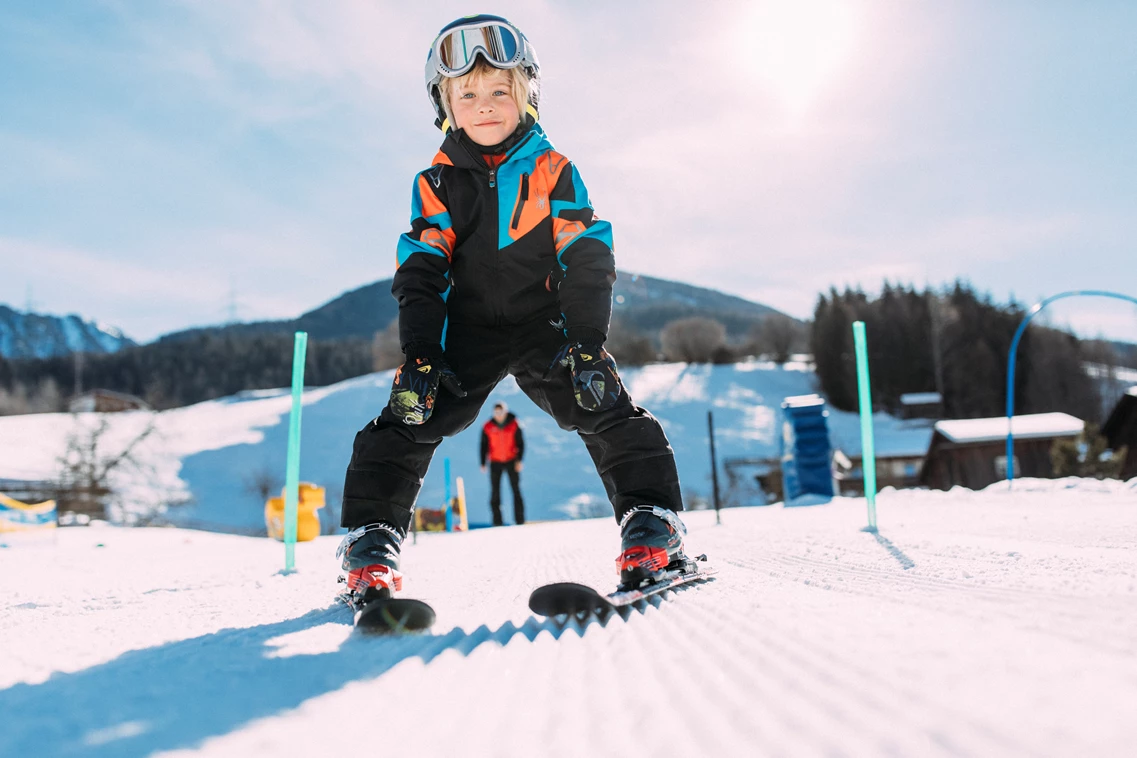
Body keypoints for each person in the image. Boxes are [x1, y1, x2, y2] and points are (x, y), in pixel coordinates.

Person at [336, 14, 688, 607]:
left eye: (500, 89)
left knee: (602, 406)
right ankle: (371, 544)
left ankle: (653, 529)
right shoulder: (438, 182)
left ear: (526, 94)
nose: (485, 104)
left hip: (544, 322)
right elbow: (422, 270)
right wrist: (421, 354)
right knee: (408, 418)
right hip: (464, 330)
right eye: (467, 93)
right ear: (445, 104)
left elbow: (587, 254)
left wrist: (586, 342)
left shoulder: (554, 170)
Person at [480, 402, 525, 526]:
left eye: (501, 412)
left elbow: (521, 444)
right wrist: (483, 462)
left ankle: (520, 520)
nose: (498, 415)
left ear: (505, 412)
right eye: (496, 413)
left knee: (516, 490)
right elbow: (483, 446)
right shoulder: (487, 426)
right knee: (495, 492)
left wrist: (519, 460)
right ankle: (497, 521)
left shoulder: (515, 424)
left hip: (511, 460)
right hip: (495, 462)